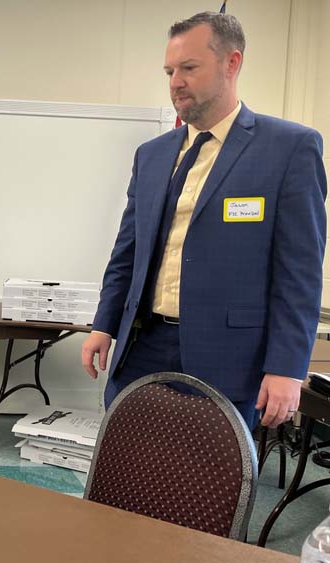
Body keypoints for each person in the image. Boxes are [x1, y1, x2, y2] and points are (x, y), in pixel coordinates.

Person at [81, 12, 327, 431]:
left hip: (230, 358)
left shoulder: (289, 149)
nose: (175, 81)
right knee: (131, 471)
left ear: (232, 63)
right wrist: (104, 324)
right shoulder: (152, 155)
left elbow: (299, 273)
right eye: (170, 70)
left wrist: (286, 366)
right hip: (143, 347)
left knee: (205, 485)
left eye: (189, 68)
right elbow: (128, 251)